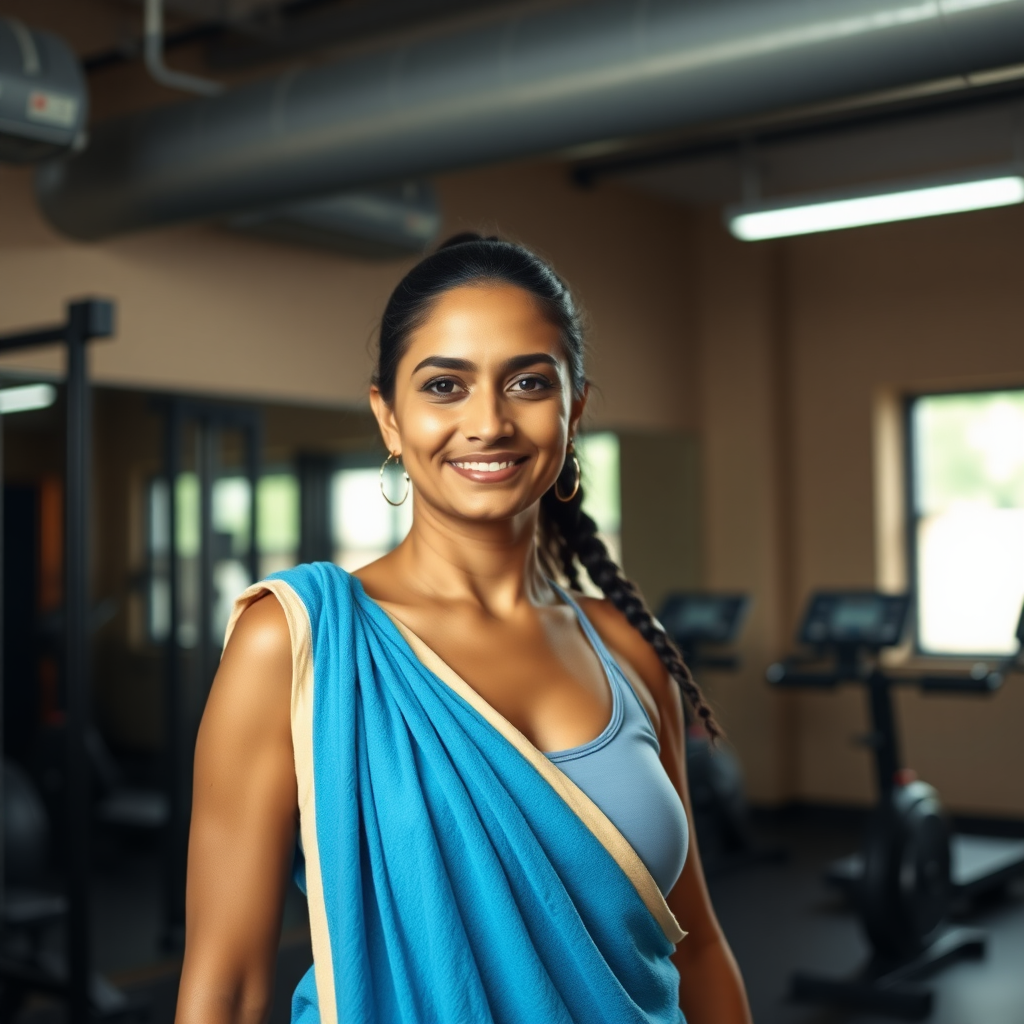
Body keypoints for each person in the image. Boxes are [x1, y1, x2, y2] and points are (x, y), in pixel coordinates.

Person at [175, 235, 752, 1024]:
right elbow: (225, 987)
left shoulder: (627, 647)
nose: (488, 421)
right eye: (445, 385)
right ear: (388, 416)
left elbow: (697, 949)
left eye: (527, 382)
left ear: (573, 408)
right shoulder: (298, 644)